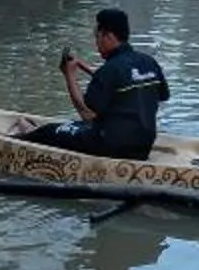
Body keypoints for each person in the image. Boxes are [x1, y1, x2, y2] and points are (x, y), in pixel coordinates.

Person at [20, 8, 167, 159]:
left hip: (111, 146)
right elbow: (146, 93)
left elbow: (86, 113)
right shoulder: (150, 62)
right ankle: (30, 131)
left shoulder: (110, 69)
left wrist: (69, 75)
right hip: (144, 145)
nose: (96, 44)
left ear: (108, 36)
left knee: (50, 131)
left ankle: (19, 139)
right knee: (77, 126)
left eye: (97, 37)